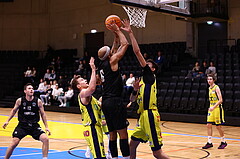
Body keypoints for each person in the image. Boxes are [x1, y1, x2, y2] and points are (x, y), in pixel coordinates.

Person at [122, 19, 169, 159]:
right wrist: (135, 90)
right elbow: (132, 99)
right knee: (133, 144)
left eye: (148, 65)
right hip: (141, 116)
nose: (145, 65)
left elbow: (137, 51)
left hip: (150, 115)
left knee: (157, 153)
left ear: (153, 69)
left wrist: (130, 33)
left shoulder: (150, 76)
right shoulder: (142, 81)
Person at [98, 21, 130, 159]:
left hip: (106, 101)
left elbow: (115, 46)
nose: (112, 50)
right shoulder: (113, 61)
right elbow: (125, 45)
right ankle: (127, 157)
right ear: (109, 54)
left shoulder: (103, 63)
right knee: (123, 133)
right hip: (115, 101)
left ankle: (114, 157)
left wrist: (114, 35)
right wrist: (118, 30)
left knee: (112, 133)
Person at [2, 83, 51, 159]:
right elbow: (14, 110)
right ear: (25, 91)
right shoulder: (20, 100)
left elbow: (43, 114)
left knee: (45, 139)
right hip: (22, 126)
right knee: (14, 142)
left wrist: (46, 127)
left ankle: (45, 158)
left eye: (32, 88)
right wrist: (7, 121)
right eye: (29, 88)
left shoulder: (38, 101)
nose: (31, 90)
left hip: (34, 126)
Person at [71, 57, 107, 159]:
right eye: (82, 80)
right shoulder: (83, 94)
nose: (85, 80)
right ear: (78, 86)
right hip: (92, 128)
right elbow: (92, 88)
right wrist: (93, 69)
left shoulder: (92, 98)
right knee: (99, 156)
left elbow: (102, 106)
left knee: (99, 155)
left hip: (96, 127)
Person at [202, 74, 227, 149]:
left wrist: (213, 107)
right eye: (208, 79)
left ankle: (223, 141)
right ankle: (209, 142)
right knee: (208, 125)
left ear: (214, 80)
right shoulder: (209, 88)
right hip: (211, 109)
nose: (209, 81)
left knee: (218, 126)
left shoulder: (216, 88)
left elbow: (221, 100)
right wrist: (210, 107)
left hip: (217, 109)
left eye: (210, 79)